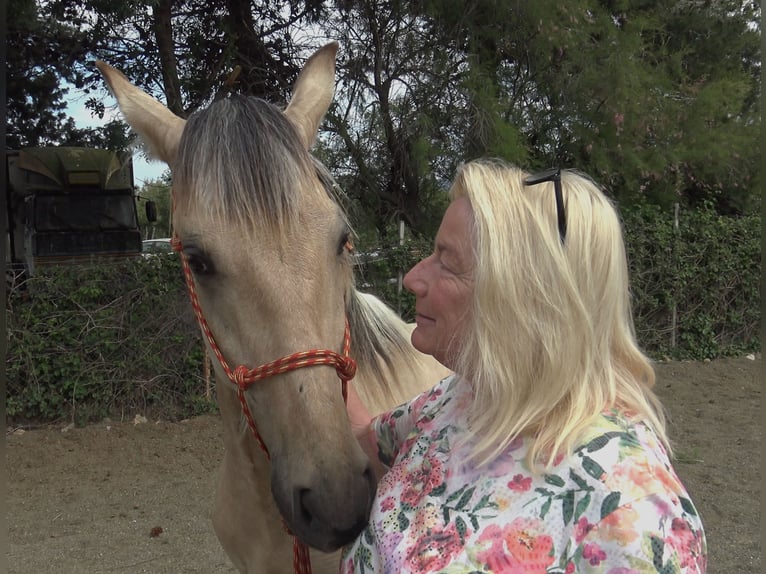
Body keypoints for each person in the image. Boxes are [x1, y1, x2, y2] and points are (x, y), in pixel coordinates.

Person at [342, 159, 707, 573]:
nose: (413, 278)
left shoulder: (630, 519)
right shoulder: (456, 402)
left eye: (447, 261)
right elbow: (362, 438)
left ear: (523, 296)